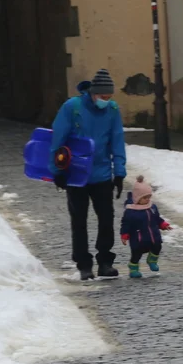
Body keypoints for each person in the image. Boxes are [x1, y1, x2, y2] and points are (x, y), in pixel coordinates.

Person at [50, 68, 126, 281]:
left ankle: (105, 262)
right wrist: (57, 170)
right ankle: (84, 264)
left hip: (102, 174)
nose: (106, 101)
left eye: (109, 97)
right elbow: (58, 139)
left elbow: (117, 141)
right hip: (76, 175)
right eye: (103, 97)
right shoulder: (72, 107)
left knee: (106, 219)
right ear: (93, 93)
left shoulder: (112, 110)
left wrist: (119, 173)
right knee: (79, 221)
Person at [120, 175, 171, 279]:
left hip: (154, 236)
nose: (147, 200)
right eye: (144, 198)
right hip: (138, 238)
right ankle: (133, 268)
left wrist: (163, 224)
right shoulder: (131, 211)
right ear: (137, 198)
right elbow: (125, 224)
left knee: (157, 247)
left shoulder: (152, 207)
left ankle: (152, 260)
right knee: (136, 254)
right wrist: (124, 234)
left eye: (149, 197)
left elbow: (157, 218)